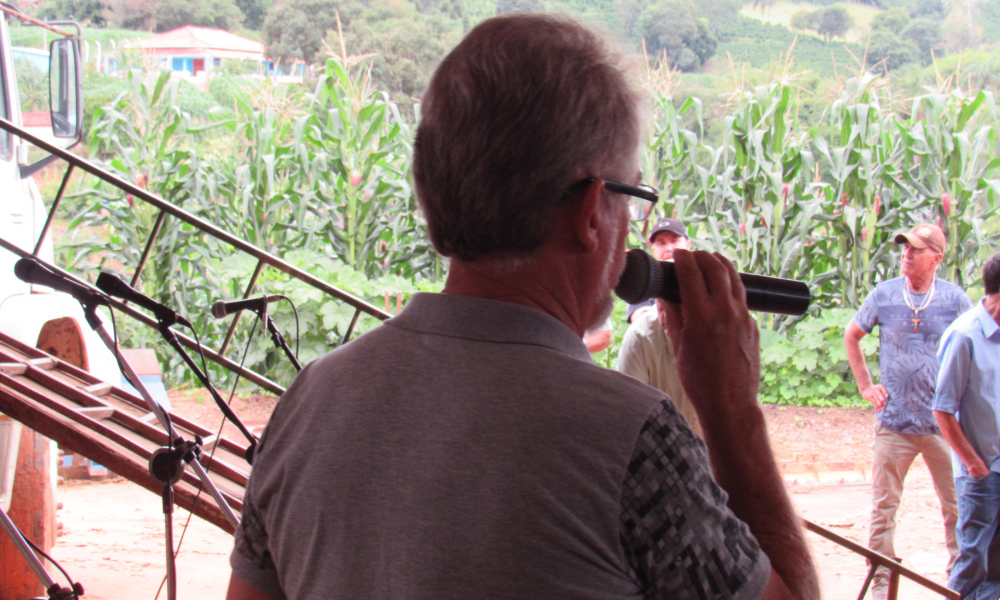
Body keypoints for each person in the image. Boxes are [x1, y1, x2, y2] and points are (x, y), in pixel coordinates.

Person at [227, 13, 818, 600]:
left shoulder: (307, 404)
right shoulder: (633, 438)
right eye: (632, 196)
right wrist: (732, 408)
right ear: (592, 210)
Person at [844, 222, 972, 600]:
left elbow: (974, 346)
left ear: (936, 257)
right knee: (884, 507)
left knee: (956, 507)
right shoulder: (884, 295)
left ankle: (960, 579)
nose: (906, 254)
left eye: (916, 249)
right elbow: (852, 335)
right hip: (893, 423)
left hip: (941, 426)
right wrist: (867, 386)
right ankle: (881, 581)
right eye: (904, 247)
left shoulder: (954, 300)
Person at [933, 252, 1000, 599]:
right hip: (981, 471)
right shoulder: (964, 336)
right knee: (973, 557)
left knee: (998, 565)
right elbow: (942, 409)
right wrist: (974, 464)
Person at [617, 217, 701, 436]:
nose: (669, 248)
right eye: (662, 243)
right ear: (652, 248)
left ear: (688, 245)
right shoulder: (642, 290)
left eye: (675, 240)